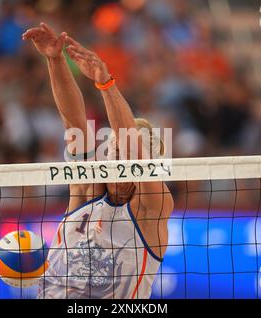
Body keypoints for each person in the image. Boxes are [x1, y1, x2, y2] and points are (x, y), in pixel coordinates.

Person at [22, 23, 174, 299]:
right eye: (111, 148)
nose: (115, 152)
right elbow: (74, 124)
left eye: (122, 149)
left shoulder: (152, 206)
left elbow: (132, 148)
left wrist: (106, 85)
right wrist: (55, 60)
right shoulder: (86, 191)